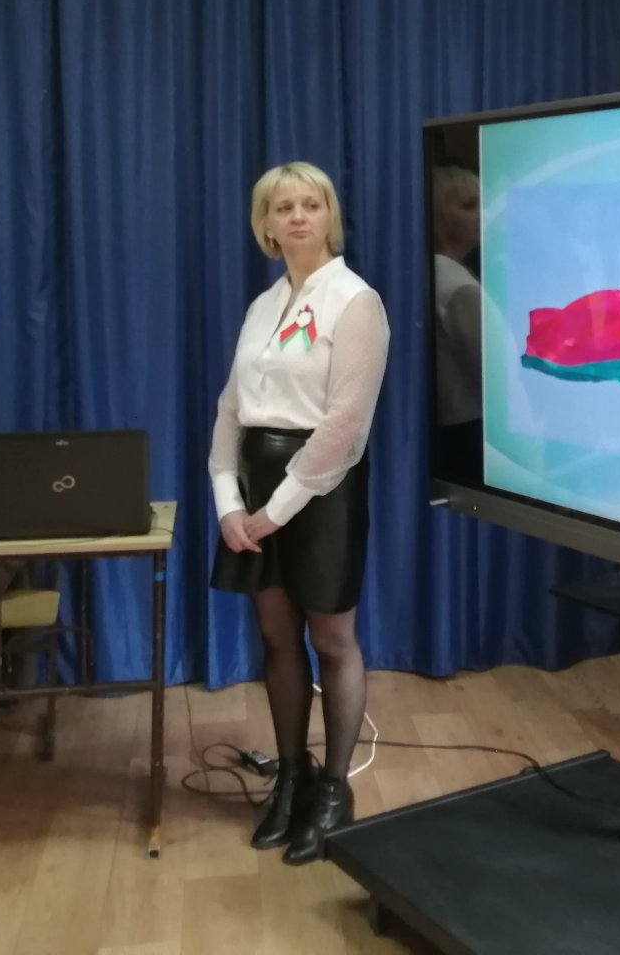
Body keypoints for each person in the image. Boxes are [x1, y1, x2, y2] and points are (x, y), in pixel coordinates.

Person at [208, 161, 390, 865]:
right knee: (277, 636)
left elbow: (345, 425)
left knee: (331, 639)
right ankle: (292, 776)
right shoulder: (262, 306)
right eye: (283, 207)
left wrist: (277, 510)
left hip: (321, 488)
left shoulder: (357, 301)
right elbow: (230, 408)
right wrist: (230, 502)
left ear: (329, 216)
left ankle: (335, 789)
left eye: (311, 204)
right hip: (256, 489)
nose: (298, 217)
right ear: (265, 224)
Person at [430, 165, 483, 484]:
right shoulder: (456, 286)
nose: (481, 214)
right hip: (468, 433)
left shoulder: (439, 272)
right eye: (468, 205)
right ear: (439, 215)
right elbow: (491, 373)